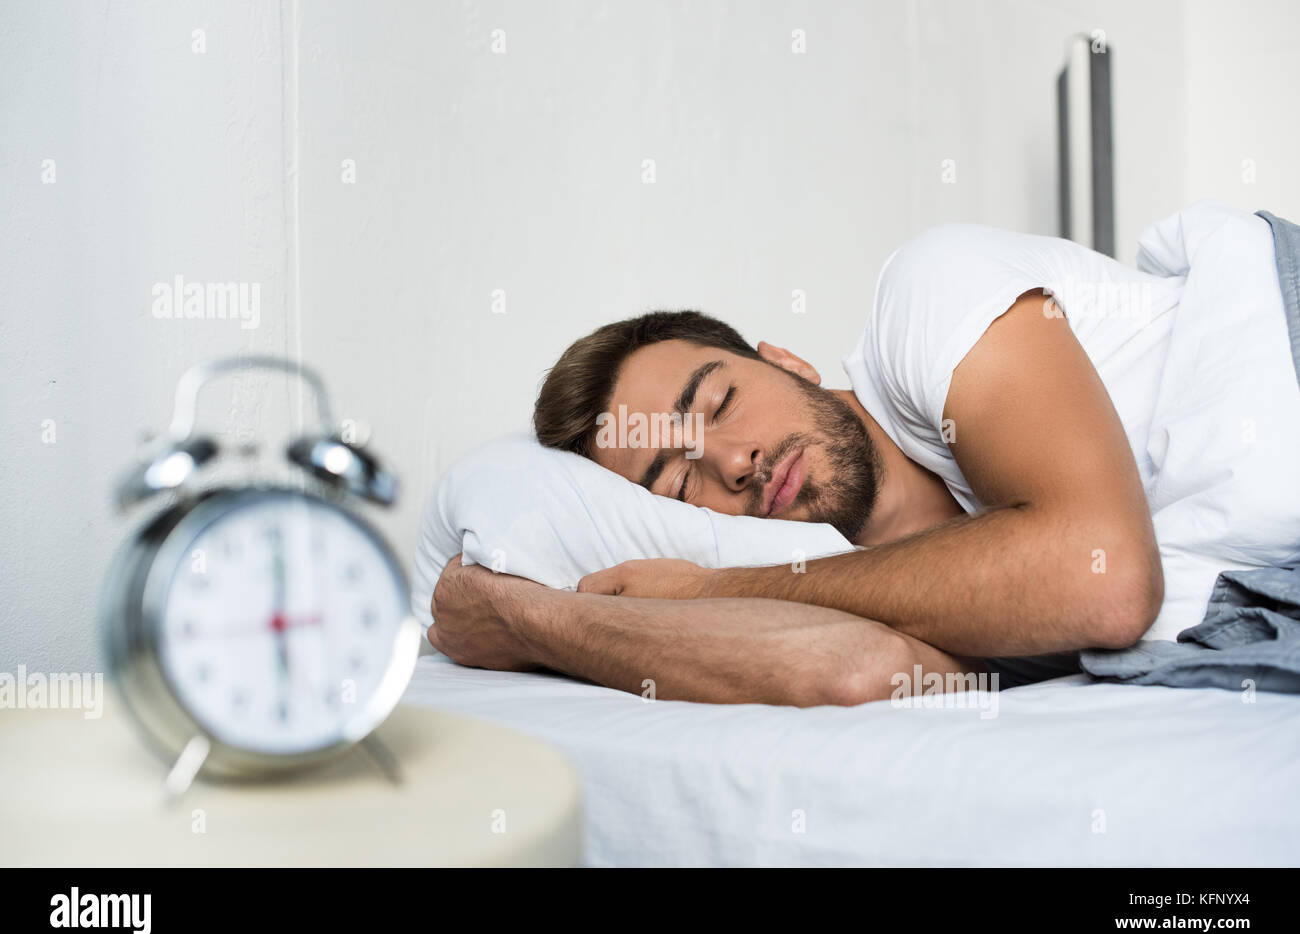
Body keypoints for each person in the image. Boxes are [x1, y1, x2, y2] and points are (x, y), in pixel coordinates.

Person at [427, 210, 1300, 705]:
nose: (734, 462)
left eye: (720, 403)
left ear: (787, 361)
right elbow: (854, 671)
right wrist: (529, 620)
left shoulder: (924, 296)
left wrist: (701, 591)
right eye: (678, 480)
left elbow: (1100, 580)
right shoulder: (876, 586)